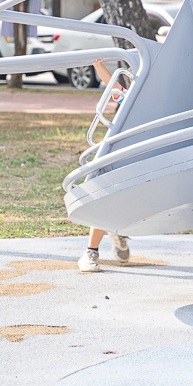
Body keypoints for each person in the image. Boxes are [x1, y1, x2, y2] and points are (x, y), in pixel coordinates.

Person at [78, 59, 131, 273]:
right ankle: (92, 250)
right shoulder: (130, 97)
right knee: (105, 195)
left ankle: (117, 230)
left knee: (126, 200)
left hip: (141, 153)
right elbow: (114, 88)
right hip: (118, 151)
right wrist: (98, 65)